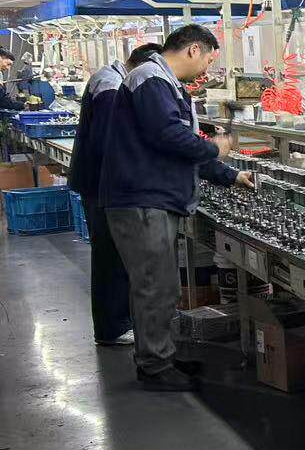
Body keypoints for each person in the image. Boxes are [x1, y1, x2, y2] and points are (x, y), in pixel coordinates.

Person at [101, 24, 255, 392]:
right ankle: (155, 367)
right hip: (142, 199)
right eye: (209, 60)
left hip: (153, 198)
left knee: (162, 285)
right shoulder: (151, 80)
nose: (206, 70)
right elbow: (169, 137)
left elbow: (181, 147)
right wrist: (214, 147)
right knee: (154, 285)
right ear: (193, 50)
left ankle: (161, 354)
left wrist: (230, 175)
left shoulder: (164, 83)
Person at [68, 44, 161, 348]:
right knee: (110, 254)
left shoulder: (113, 78)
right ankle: (113, 328)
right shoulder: (110, 85)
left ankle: (118, 322)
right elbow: (111, 139)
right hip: (102, 184)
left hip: (101, 181)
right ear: (144, 68)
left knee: (113, 253)